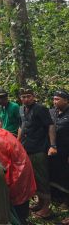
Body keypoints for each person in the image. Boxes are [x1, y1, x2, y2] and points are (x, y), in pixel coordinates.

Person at [18, 88, 56, 218]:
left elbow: (50, 125)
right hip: (26, 148)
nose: (26, 99)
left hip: (39, 148)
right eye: (23, 97)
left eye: (28, 96)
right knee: (34, 177)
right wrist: (18, 143)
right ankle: (40, 202)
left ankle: (47, 207)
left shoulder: (40, 109)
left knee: (42, 177)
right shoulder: (21, 109)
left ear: (34, 96)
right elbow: (21, 126)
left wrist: (52, 145)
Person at [49, 90, 69, 224]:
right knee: (56, 174)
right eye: (54, 99)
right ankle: (57, 197)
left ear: (66, 101)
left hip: (66, 152)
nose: (55, 102)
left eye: (58, 99)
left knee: (67, 176)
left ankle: (67, 201)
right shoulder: (51, 112)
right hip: (54, 150)